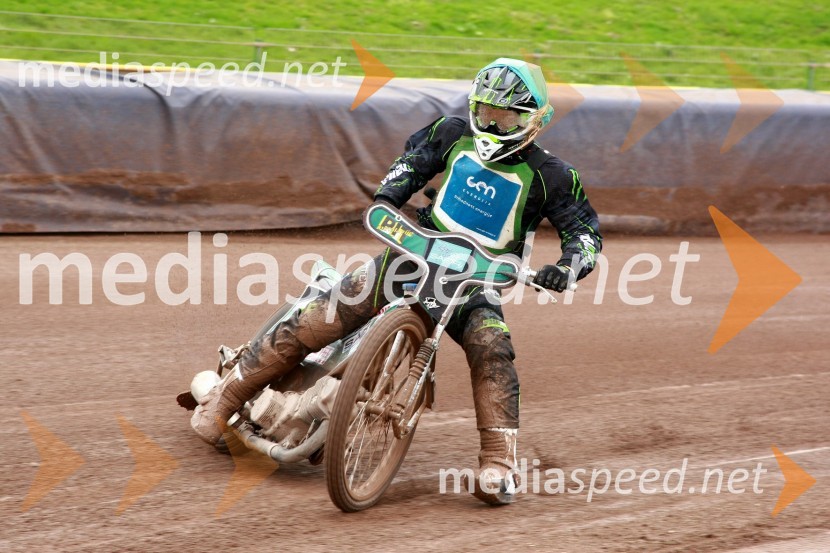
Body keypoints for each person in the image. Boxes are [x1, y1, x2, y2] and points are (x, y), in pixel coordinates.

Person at [191, 58, 602, 505]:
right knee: (319, 317)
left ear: (533, 120)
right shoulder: (450, 133)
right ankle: (225, 400)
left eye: (505, 116)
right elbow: (411, 163)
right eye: (485, 112)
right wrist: (391, 194)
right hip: (411, 255)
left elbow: (583, 232)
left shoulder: (555, 176)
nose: (491, 122)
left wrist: (567, 266)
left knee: (493, 351)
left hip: (476, 283)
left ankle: (498, 462)